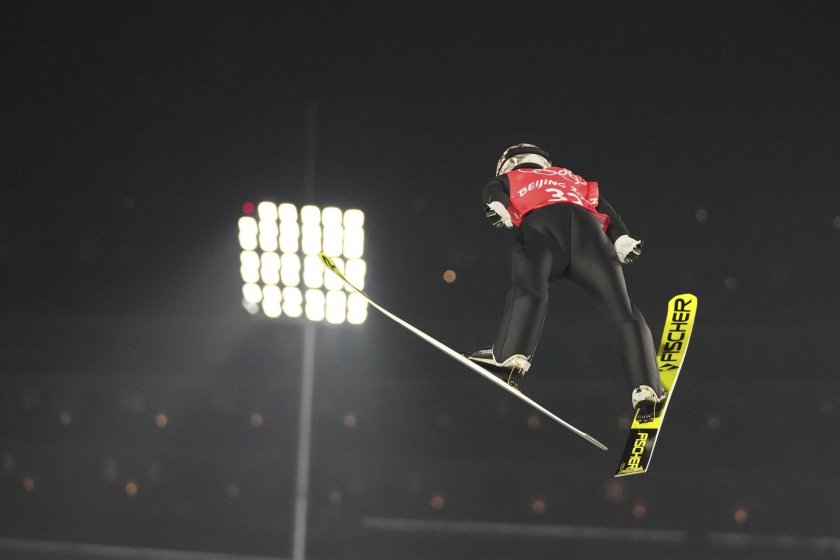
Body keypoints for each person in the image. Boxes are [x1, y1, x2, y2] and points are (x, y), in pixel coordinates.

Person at [466, 143, 664, 415]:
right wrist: (621, 237)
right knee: (623, 311)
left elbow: (493, 191)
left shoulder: (511, 177)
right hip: (590, 236)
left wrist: (498, 207)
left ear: (507, 164)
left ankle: (511, 355)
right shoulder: (570, 176)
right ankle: (647, 385)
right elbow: (603, 207)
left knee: (529, 290)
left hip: (542, 228)